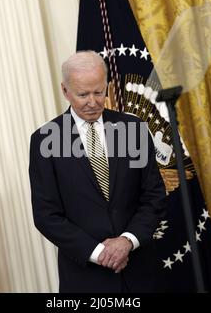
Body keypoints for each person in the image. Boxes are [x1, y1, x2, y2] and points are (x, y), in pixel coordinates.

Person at [29, 51, 166, 293]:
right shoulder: (44, 141)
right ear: (65, 90)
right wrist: (100, 253)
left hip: (140, 273)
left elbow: (153, 195)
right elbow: (46, 215)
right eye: (82, 94)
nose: (92, 102)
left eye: (99, 92)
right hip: (85, 279)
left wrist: (127, 241)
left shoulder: (133, 129)